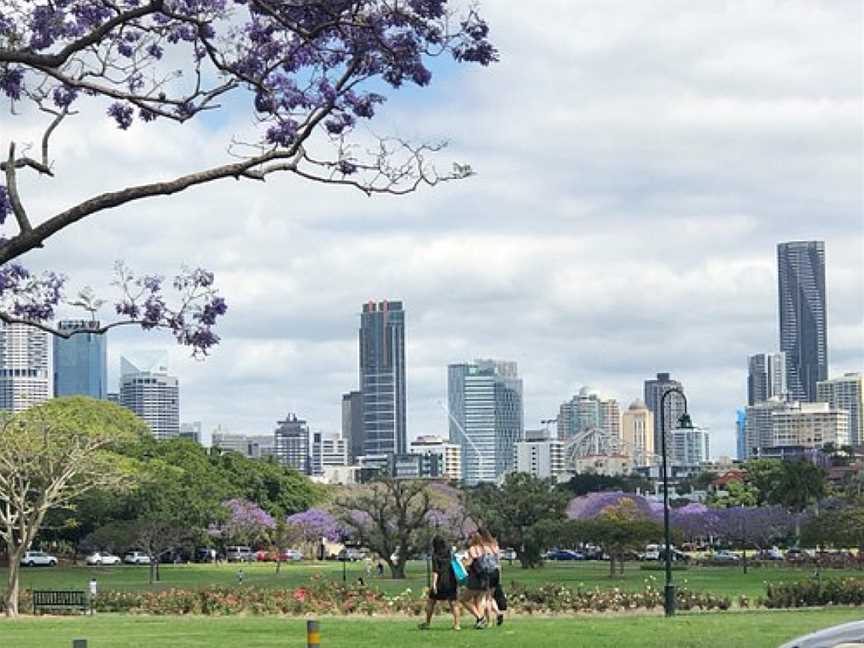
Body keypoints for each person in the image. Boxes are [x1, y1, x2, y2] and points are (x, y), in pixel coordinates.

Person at [419, 536, 461, 631]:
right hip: (451, 580)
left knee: (431, 601)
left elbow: (435, 571)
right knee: (453, 603)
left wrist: (433, 584)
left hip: (440, 581)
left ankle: (427, 622)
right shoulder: (449, 554)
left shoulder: (435, 556)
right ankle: (457, 624)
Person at [460, 530, 498, 629]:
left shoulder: (473, 549)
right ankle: (480, 622)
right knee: (480, 600)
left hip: (475, 577)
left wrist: (463, 562)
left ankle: (480, 618)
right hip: (486, 577)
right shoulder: (487, 548)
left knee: (464, 599)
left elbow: (469, 563)